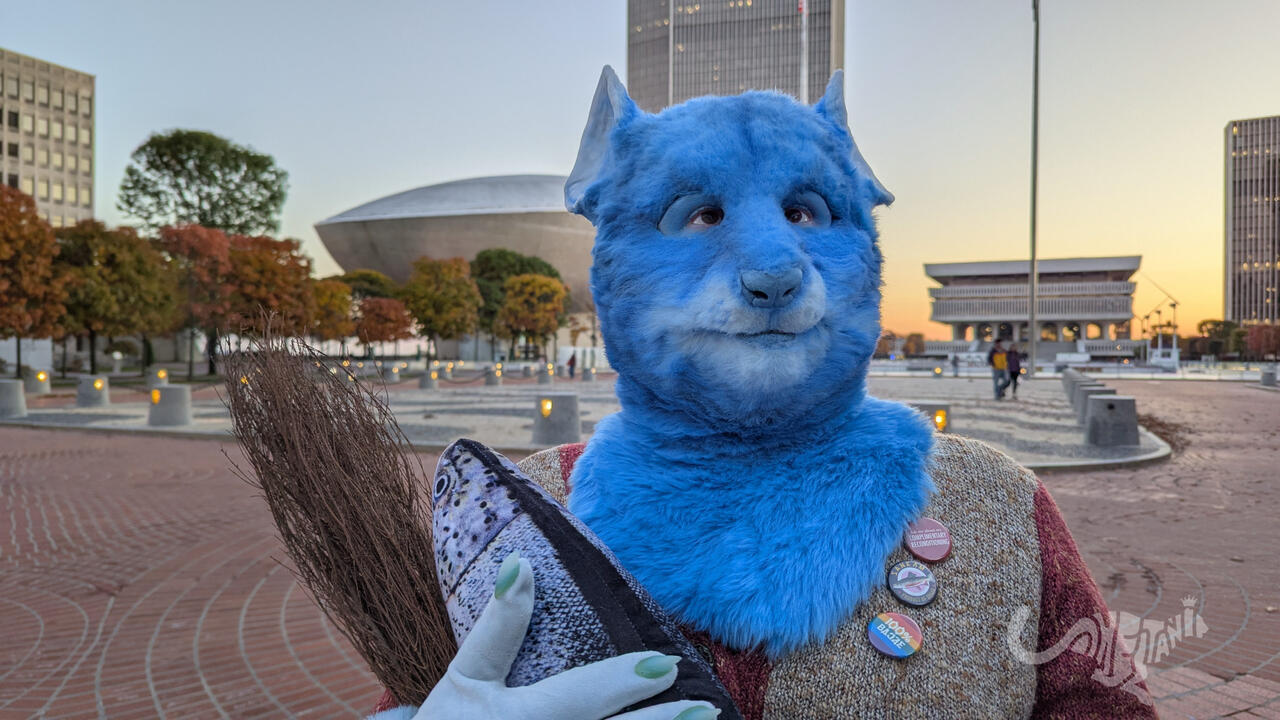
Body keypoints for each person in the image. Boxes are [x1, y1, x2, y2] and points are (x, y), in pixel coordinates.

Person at [369, 67, 1155, 719]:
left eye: (805, 210)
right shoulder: (514, 515)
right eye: (701, 214)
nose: (773, 268)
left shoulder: (999, 506)